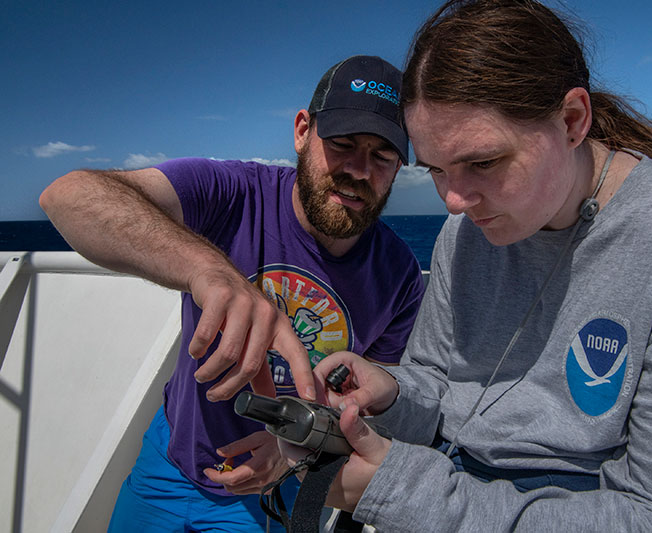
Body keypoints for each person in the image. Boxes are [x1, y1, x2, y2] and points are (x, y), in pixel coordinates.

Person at [295, 2, 652, 531]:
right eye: (436, 169)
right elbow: (441, 383)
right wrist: (395, 395)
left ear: (573, 121)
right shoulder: (465, 234)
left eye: (483, 162)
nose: (454, 200)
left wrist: (404, 492)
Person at [39, 55, 424, 532]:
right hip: (170, 457)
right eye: (342, 143)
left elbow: (376, 404)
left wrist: (295, 456)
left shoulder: (402, 276)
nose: (360, 170)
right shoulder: (233, 193)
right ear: (303, 130)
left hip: (276, 488)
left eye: (383, 156)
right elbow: (70, 195)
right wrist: (209, 269)